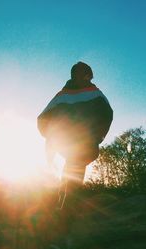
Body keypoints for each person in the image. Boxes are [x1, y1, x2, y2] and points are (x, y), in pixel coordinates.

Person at [37, 61, 113, 209]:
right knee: (75, 166)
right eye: (87, 76)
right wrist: (98, 136)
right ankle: (67, 207)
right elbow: (107, 114)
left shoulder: (61, 96)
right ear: (86, 76)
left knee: (71, 166)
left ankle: (63, 202)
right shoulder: (95, 93)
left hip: (69, 143)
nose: (88, 79)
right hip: (81, 142)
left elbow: (42, 119)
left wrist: (51, 137)